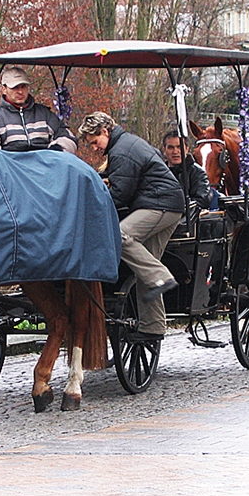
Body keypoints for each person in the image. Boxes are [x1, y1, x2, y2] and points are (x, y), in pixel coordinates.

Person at [79, 112, 185, 340]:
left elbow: (119, 195)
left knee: (120, 235)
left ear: (105, 132)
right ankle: (152, 327)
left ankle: (161, 276)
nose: (95, 148)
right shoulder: (126, 144)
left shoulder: (121, 152)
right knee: (144, 268)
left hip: (160, 205)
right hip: (166, 203)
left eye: (95, 142)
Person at [0, 66, 78, 153]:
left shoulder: (45, 115)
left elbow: (69, 138)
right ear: (4, 89)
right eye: (15, 87)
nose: (20, 92)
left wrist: (57, 150)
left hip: (46, 170)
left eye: (23, 86)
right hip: (11, 172)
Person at [162, 131, 213, 210]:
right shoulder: (159, 173)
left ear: (187, 149)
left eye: (179, 147)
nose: (175, 151)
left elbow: (202, 200)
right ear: (164, 150)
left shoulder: (197, 173)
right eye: (171, 147)